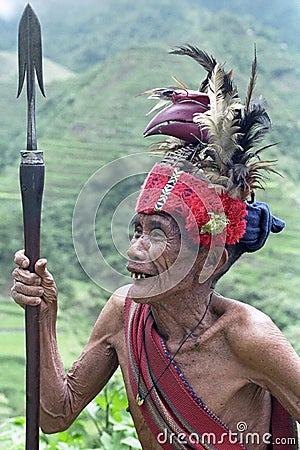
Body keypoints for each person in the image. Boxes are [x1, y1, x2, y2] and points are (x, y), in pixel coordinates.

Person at [11, 47, 300, 450]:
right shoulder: (122, 313)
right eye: (136, 229)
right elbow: (56, 415)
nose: (135, 249)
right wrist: (43, 317)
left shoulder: (250, 339)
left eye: (158, 234)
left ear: (207, 258)